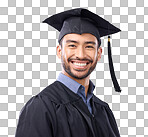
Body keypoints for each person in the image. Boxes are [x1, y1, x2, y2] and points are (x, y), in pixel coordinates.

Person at [15, 8, 121, 137]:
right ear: (59, 51)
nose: (81, 55)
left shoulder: (103, 110)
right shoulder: (40, 107)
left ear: (98, 54)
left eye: (89, 46)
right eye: (72, 45)